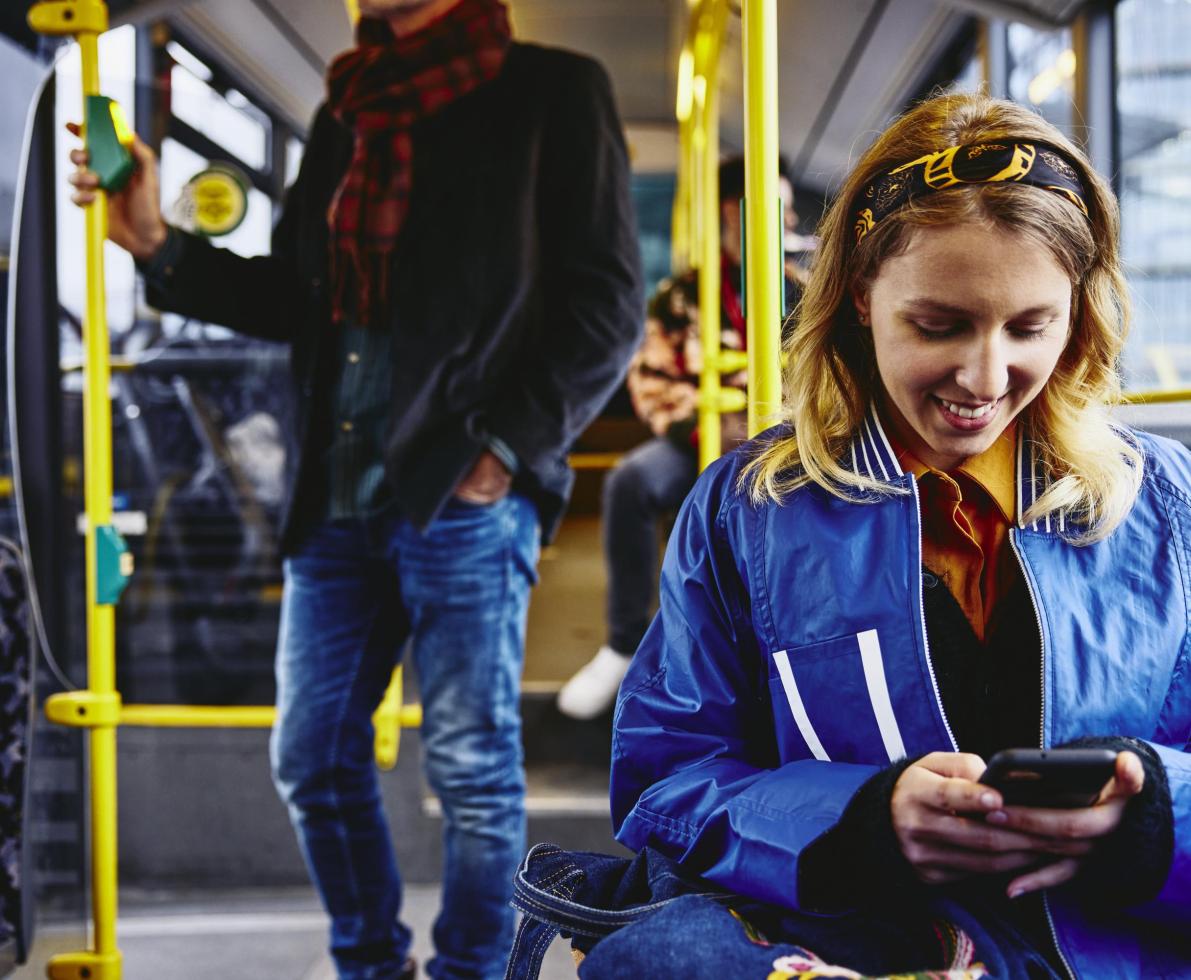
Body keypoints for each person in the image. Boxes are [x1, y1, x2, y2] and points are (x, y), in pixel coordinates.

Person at [69, 1, 643, 977]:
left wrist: (504, 449)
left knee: (468, 767)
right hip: (336, 490)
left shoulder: (552, 93)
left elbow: (606, 305)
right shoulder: (349, 112)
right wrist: (157, 244)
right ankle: (371, 962)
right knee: (313, 757)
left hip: (459, 488)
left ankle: (469, 969)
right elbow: (301, 298)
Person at [604, 92, 1189, 977]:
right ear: (858, 299)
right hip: (860, 947)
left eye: (1030, 327)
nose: (985, 377)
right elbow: (665, 784)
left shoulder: (1168, 508)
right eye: (938, 325)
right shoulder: (746, 515)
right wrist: (862, 821)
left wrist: (1150, 822)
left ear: (1078, 317)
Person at [556, 156, 802, 720]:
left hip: (790, 443)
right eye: (773, 206)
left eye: (786, 206)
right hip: (700, 435)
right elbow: (652, 379)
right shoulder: (682, 297)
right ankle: (623, 643)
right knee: (631, 481)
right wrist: (708, 426)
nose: (785, 220)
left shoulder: (807, 293)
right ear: (731, 214)